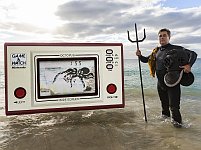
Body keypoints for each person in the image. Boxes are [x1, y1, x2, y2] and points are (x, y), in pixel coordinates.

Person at [136, 28, 197, 128]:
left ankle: (178, 129)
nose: (162, 37)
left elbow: (193, 54)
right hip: (160, 84)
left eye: (164, 35)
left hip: (172, 83)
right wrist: (140, 55)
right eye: (160, 36)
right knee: (164, 106)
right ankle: (165, 130)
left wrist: (189, 65)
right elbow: (146, 60)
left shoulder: (176, 48)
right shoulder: (156, 51)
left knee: (174, 107)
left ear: (169, 37)